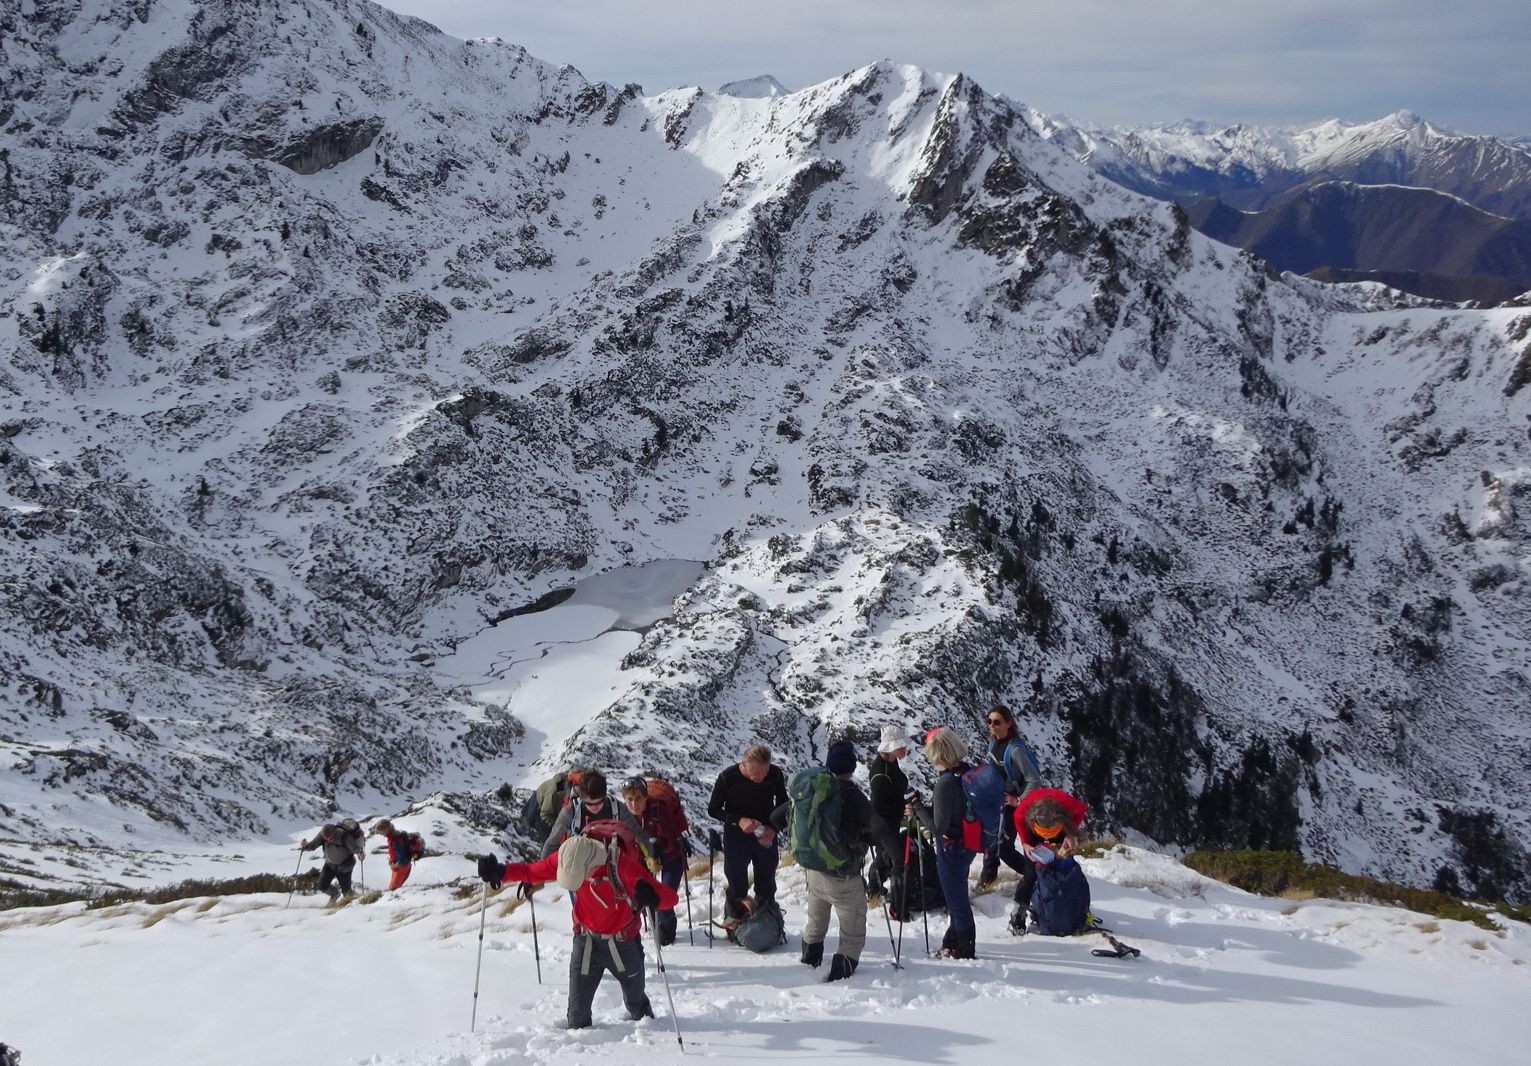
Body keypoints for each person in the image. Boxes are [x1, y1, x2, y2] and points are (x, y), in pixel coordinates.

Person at [477, 824, 678, 1031]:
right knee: (576, 1017)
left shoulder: (621, 867)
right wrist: (500, 872)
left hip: (623, 944)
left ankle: (647, 1046)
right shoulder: (566, 856)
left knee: (638, 1008)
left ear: (590, 864)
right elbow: (532, 872)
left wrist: (652, 897)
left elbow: (671, 898)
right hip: (586, 943)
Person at [772, 740, 872, 980]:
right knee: (852, 927)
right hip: (844, 875)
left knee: (816, 920)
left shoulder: (812, 791)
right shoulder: (853, 796)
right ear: (852, 767)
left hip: (814, 870)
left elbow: (775, 817)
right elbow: (880, 830)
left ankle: (810, 957)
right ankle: (843, 968)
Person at [910, 727, 979, 958]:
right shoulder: (967, 772)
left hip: (951, 848)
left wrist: (918, 807)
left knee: (956, 900)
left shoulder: (945, 783)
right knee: (956, 894)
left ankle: (964, 947)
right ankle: (953, 940)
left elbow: (938, 827)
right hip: (968, 841)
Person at [707, 743, 789, 924]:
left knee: (767, 881)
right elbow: (713, 809)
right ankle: (735, 919)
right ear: (744, 764)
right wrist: (738, 820)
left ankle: (767, 921)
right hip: (736, 837)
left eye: (764, 772)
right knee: (736, 882)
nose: (760, 777)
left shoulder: (775, 774)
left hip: (765, 834)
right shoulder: (728, 778)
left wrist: (774, 829)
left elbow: (784, 804)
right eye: (755, 772)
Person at [977, 705, 1044, 891]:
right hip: (997, 802)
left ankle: (1037, 876)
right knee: (991, 841)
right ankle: (987, 881)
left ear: (1009, 723)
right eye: (989, 721)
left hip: (1012, 806)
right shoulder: (994, 743)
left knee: (1004, 848)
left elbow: (1034, 779)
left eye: (997, 722)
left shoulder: (1015, 750)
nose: (992, 725)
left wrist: (1018, 801)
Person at [621, 776, 688, 946]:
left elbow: (672, 840)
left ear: (646, 798)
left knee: (663, 896)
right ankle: (660, 927)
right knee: (648, 898)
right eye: (630, 799)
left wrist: (657, 855)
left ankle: (668, 926)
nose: (634, 804)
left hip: (671, 857)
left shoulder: (658, 809)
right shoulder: (624, 816)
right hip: (644, 861)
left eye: (638, 799)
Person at [1012, 788, 1088, 934]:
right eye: (1045, 834)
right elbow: (1018, 818)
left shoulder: (1067, 803)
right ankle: (1018, 915)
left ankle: (1063, 909)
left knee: (1062, 870)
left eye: (1049, 833)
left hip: (1062, 831)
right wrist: (1026, 844)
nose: (1047, 838)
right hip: (1033, 835)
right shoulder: (1027, 807)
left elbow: (1081, 810)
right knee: (1030, 875)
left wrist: (1071, 835)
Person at [539, 770, 652, 859]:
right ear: (582, 798)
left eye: (599, 802)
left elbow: (638, 834)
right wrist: (538, 875)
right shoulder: (572, 810)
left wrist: (652, 856)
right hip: (580, 865)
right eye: (589, 804)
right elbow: (552, 842)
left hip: (612, 860)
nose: (595, 807)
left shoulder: (616, 807)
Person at [866, 725, 909, 899]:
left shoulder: (890, 763)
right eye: (899, 747)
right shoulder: (880, 774)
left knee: (884, 856)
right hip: (883, 825)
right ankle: (899, 897)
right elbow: (878, 807)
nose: (904, 749)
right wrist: (901, 806)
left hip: (890, 822)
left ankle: (874, 889)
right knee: (898, 859)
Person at [298, 820, 366, 901]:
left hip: (345, 866)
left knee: (346, 892)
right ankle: (335, 894)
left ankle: (350, 906)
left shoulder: (345, 836)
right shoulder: (322, 835)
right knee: (322, 886)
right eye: (327, 839)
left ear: (335, 832)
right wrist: (306, 846)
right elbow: (313, 845)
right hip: (329, 864)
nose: (329, 840)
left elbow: (356, 849)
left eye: (331, 838)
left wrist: (360, 853)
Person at [371, 819, 424, 890]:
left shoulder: (395, 840)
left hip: (401, 867)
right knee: (394, 889)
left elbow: (402, 859)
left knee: (392, 890)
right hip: (401, 866)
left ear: (386, 829)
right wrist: (392, 859)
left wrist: (394, 866)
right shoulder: (393, 837)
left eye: (381, 832)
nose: (381, 834)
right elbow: (396, 852)